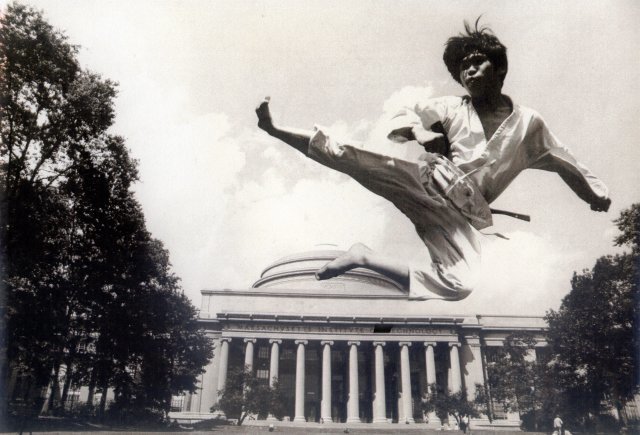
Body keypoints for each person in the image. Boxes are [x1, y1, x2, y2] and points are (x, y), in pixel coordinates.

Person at [255, 20, 610, 301]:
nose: (468, 72)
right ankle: (276, 130)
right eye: (462, 69)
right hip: (430, 181)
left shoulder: (529, 123)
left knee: (461, 284)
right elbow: (405, 115)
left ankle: (364, 257)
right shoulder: (451, 107)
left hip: (461, 215)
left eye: (476, 63)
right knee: (350, 157)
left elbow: (564, 160)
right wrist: (419, 133)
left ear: (499, 68)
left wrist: (594, 193)